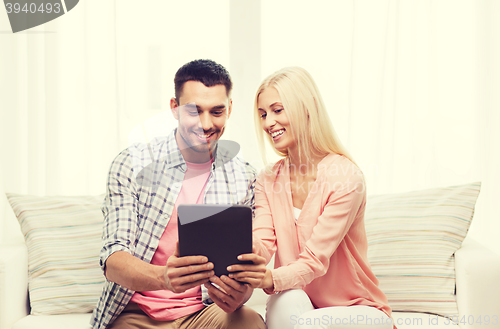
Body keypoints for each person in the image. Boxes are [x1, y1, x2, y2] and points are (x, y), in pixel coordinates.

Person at [91, 59, 267, 329]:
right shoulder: (131, 163)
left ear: (229, 109)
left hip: (205, 312)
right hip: (137, 315)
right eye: (194, 111)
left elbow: (243, 267)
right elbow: (113, 260)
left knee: (249, 323)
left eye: (217, 111)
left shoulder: (245, 177)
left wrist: (239, 294)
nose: (206, 124)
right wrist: (164, 278)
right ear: (175, 109)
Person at [227, 67, 394, 329]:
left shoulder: (346, 177)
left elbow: (314, 261)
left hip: (357, 308)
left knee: (308, 325)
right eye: (262, 114)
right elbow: (263, 241)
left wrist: (268, 278)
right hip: (301, 299)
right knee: (286, 305)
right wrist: (234, 243)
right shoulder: (268, 178)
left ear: (306, 109)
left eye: (277, 110)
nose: (268, 122)